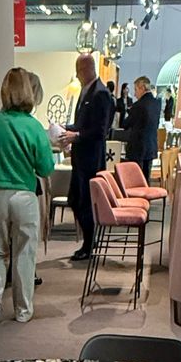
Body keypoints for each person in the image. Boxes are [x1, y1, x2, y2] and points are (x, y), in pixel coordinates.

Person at [0, 67, 55, 323]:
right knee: (24, 253)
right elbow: (45, 167)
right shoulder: (34, 126)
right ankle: (23, 310)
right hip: (24, 195)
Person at [62, 53, 115, 261]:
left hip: (91, 160)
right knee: (75, 200)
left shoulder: (100, 94)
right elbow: (82, 124)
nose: (77, 76)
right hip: (81, 159)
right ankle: (89, 241)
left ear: (86, 70)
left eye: (78, 72)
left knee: (85, 203)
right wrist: (66, 129)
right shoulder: (86, 91)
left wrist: (76, 136)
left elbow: (100, 131)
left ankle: (88, 244)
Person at [123, 75, 160, 182]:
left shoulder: (138, 105)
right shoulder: (156, 104)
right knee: (146, 180)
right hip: (151, 147)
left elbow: (125, 124)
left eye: (136, 90)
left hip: (137, 149)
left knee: (136, 181)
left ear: (142, 88)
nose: (134, 94)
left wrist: (127, 112)